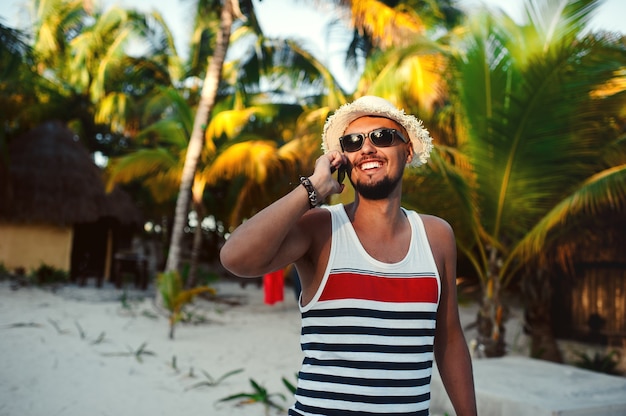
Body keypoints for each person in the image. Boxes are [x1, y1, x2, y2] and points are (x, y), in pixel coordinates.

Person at [220, 96, 477, 416]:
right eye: (353, 143)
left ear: (407, 150)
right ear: (343, 159)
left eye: (382, 137)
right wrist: (312, 188)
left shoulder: (436, 236)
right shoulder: (321, 228)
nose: (366, 148)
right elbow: (235, 258)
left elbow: (449, 338)